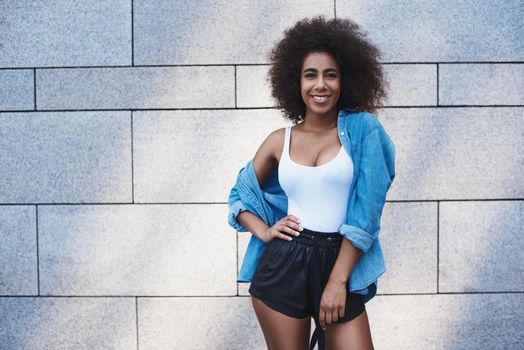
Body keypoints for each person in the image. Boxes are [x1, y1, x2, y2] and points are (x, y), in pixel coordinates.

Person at [227, 16, 396, 350]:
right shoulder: (279, 140)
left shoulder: (364, 131)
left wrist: (337, 281)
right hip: (284, 264)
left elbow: (367, 214)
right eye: (310, 75)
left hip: (340, 261)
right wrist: (265, 231)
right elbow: (239, 196)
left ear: (345, 79)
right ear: (296, 82)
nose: (321, 84)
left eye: (330, 74)